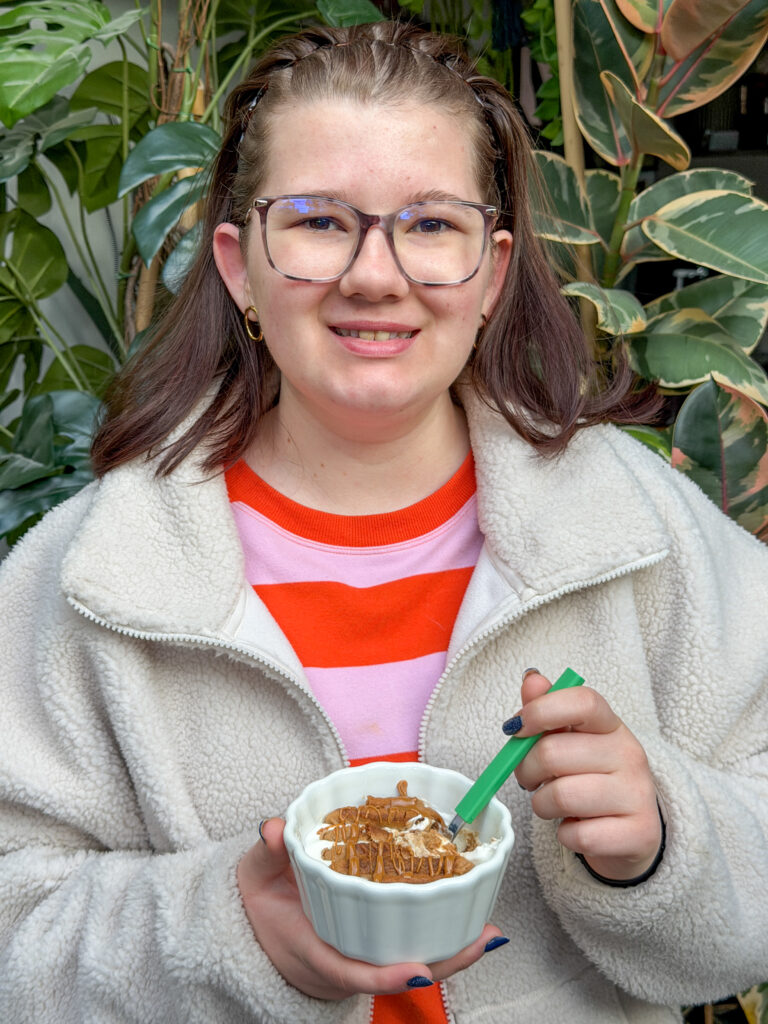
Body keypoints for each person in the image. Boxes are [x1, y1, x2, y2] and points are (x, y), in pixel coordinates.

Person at [0, 19, 766, 1024]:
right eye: (320, 220)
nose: (375, 274)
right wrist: (224, 927)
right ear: (240, 267)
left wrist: (666, 838)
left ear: (491, 273)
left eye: (432, 224)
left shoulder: (634, 527)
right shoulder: (95, 574)